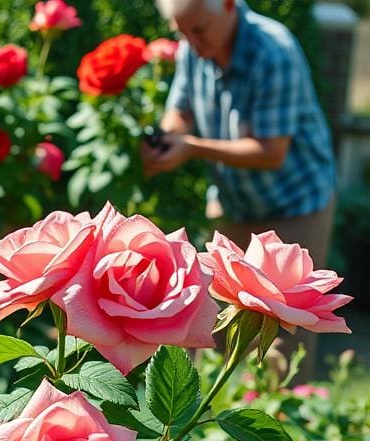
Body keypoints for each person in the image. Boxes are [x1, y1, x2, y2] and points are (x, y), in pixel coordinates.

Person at [141, 0, 336, 377]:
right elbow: (180, 111)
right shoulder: (193, 45)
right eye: (181, 33)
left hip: (295, 203)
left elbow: (270, 151)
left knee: (282, 334)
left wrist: (192, 148)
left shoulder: (273, 50)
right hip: (234, 201)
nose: (191, 43)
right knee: (206, 315)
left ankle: (281, 426)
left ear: (228, 5)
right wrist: (166, 138)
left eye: (198, 30)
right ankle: (190, 419)